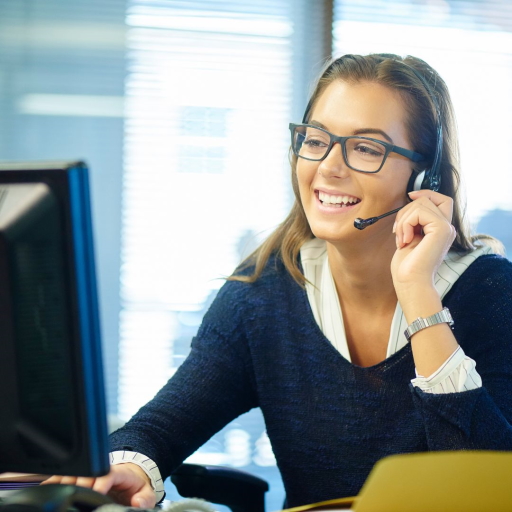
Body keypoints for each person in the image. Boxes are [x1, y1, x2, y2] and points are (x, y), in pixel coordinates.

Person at [44, 53, 512, 508]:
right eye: (315, 140)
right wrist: (131, 465)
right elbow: (163, 424)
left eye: (366, 148)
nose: (329, 166)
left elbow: (488, 487)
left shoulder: (490, 293)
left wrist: (418, 293)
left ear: (422, 173)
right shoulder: (266, 291)